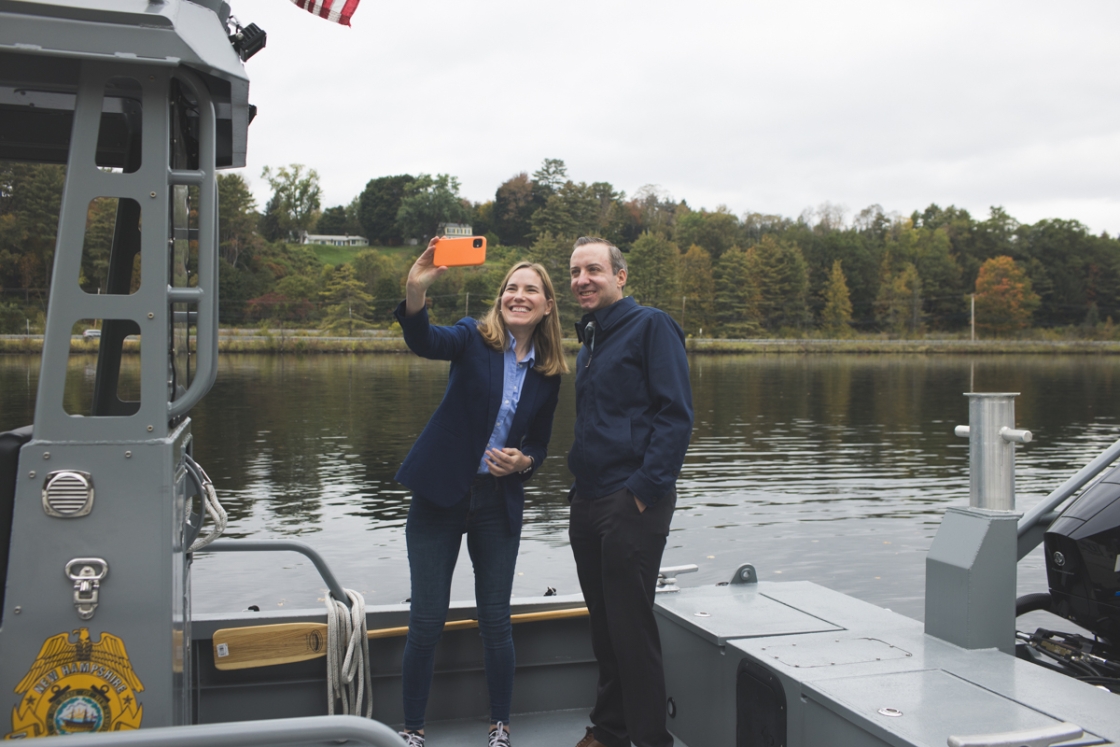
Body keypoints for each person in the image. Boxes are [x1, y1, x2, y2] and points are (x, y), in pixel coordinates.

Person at [393, 240, 568, 747]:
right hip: (439, 496)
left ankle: (499, 726)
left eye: (530, 289)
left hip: (497, 502)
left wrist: (524, 461)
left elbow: (538, 440)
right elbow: (425, 340)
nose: (518, 295)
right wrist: (415, 290)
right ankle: (412, 730)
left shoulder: (548, 371)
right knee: (426, 619)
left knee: (496, 620)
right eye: (511, 287)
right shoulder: (473, 336)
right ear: (500, 298)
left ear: (547, 305)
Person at [566, 237, 694, 747]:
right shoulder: (590, 340)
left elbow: (675, 417)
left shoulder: (651, 326)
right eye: (575, 272)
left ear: (621, 276)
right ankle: (611, 728)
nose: (582, 280)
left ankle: (648, 739)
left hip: (632, 502)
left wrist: (640, 492)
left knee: (631, 630)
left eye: (593, 269)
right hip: (589, 499)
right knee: (604, 628)